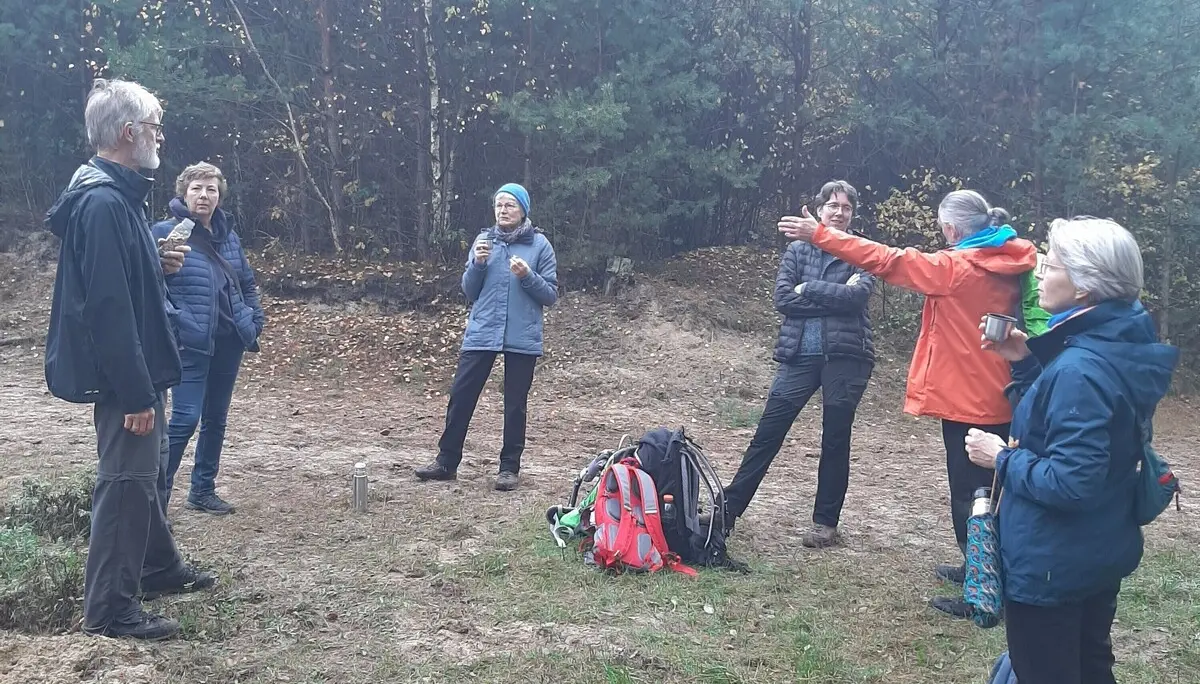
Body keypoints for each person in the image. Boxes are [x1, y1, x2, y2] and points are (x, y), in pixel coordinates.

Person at [779, 189, 1038, 617]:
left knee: (971, 493)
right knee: (991, 490)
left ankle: (983, 589)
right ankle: (977, 564)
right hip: (999, 390)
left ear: (952, 229)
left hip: (968, 398)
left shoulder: (958, 267)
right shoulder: (1008, 259)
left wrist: (821, 234)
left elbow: (889, 260)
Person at [967, 216, 1176, 684]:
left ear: (1084, 287)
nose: (1039, 271)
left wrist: (999, 456)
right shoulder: (1117, 343)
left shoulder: (1080, 367)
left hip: (1051, 563)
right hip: (1096, 548)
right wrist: (1025, 364)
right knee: (1089, 666)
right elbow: (1065, 424)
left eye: (1053, 263)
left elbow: (1071, 481)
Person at [44, 78, 216, 641]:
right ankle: (111, 610)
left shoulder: (118, 196)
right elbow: (109, 311)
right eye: (154, 126)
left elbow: (122, 280)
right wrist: (137, 395)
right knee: (125, 479)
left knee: (147, 470)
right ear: (127, 132)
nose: (159, 136)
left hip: (140, 366)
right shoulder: (100, 202)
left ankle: (157, 566)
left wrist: (155, 263)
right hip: (126, 376)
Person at [721, 180, 875, 548]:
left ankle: (826, 524)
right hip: (799, 356)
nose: (839, 213)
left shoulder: (863, 251)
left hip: (846, 358)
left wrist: (809, 288)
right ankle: (727, 510)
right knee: (767, 434)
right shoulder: (797, 250)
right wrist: (827, 293)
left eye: (846, 208)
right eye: (833, 206)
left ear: (852, 214)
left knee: (835, 438)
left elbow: (857, 298)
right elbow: (784, 300)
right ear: (819, 209)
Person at [415, 183, 558, 491]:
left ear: (523, 210)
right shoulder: (483, 241)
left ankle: (509, 469)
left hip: (522, 335)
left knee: (515, 404)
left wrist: (527, 276)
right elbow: (469, 290)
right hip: (482, 333)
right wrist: (478, 265)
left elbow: (550, 295)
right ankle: (446, 462)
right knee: (461, 396)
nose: (503, 210)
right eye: (498, 205)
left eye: (509, 205)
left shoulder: (540, 246)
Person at [151, 162, 265, 516]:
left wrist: (254, 318)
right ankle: (156, 498)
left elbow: (245, 281)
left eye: (211, 189)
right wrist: (176, 322)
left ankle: (202, 490)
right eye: (197, 188)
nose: (204, 195)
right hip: (190, 342)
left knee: (216, 418)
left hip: (228, 341)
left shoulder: (228, 236)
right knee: (185, 418)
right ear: (183, 192)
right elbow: (152, 285)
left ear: (219, 196)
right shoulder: (166, 233)